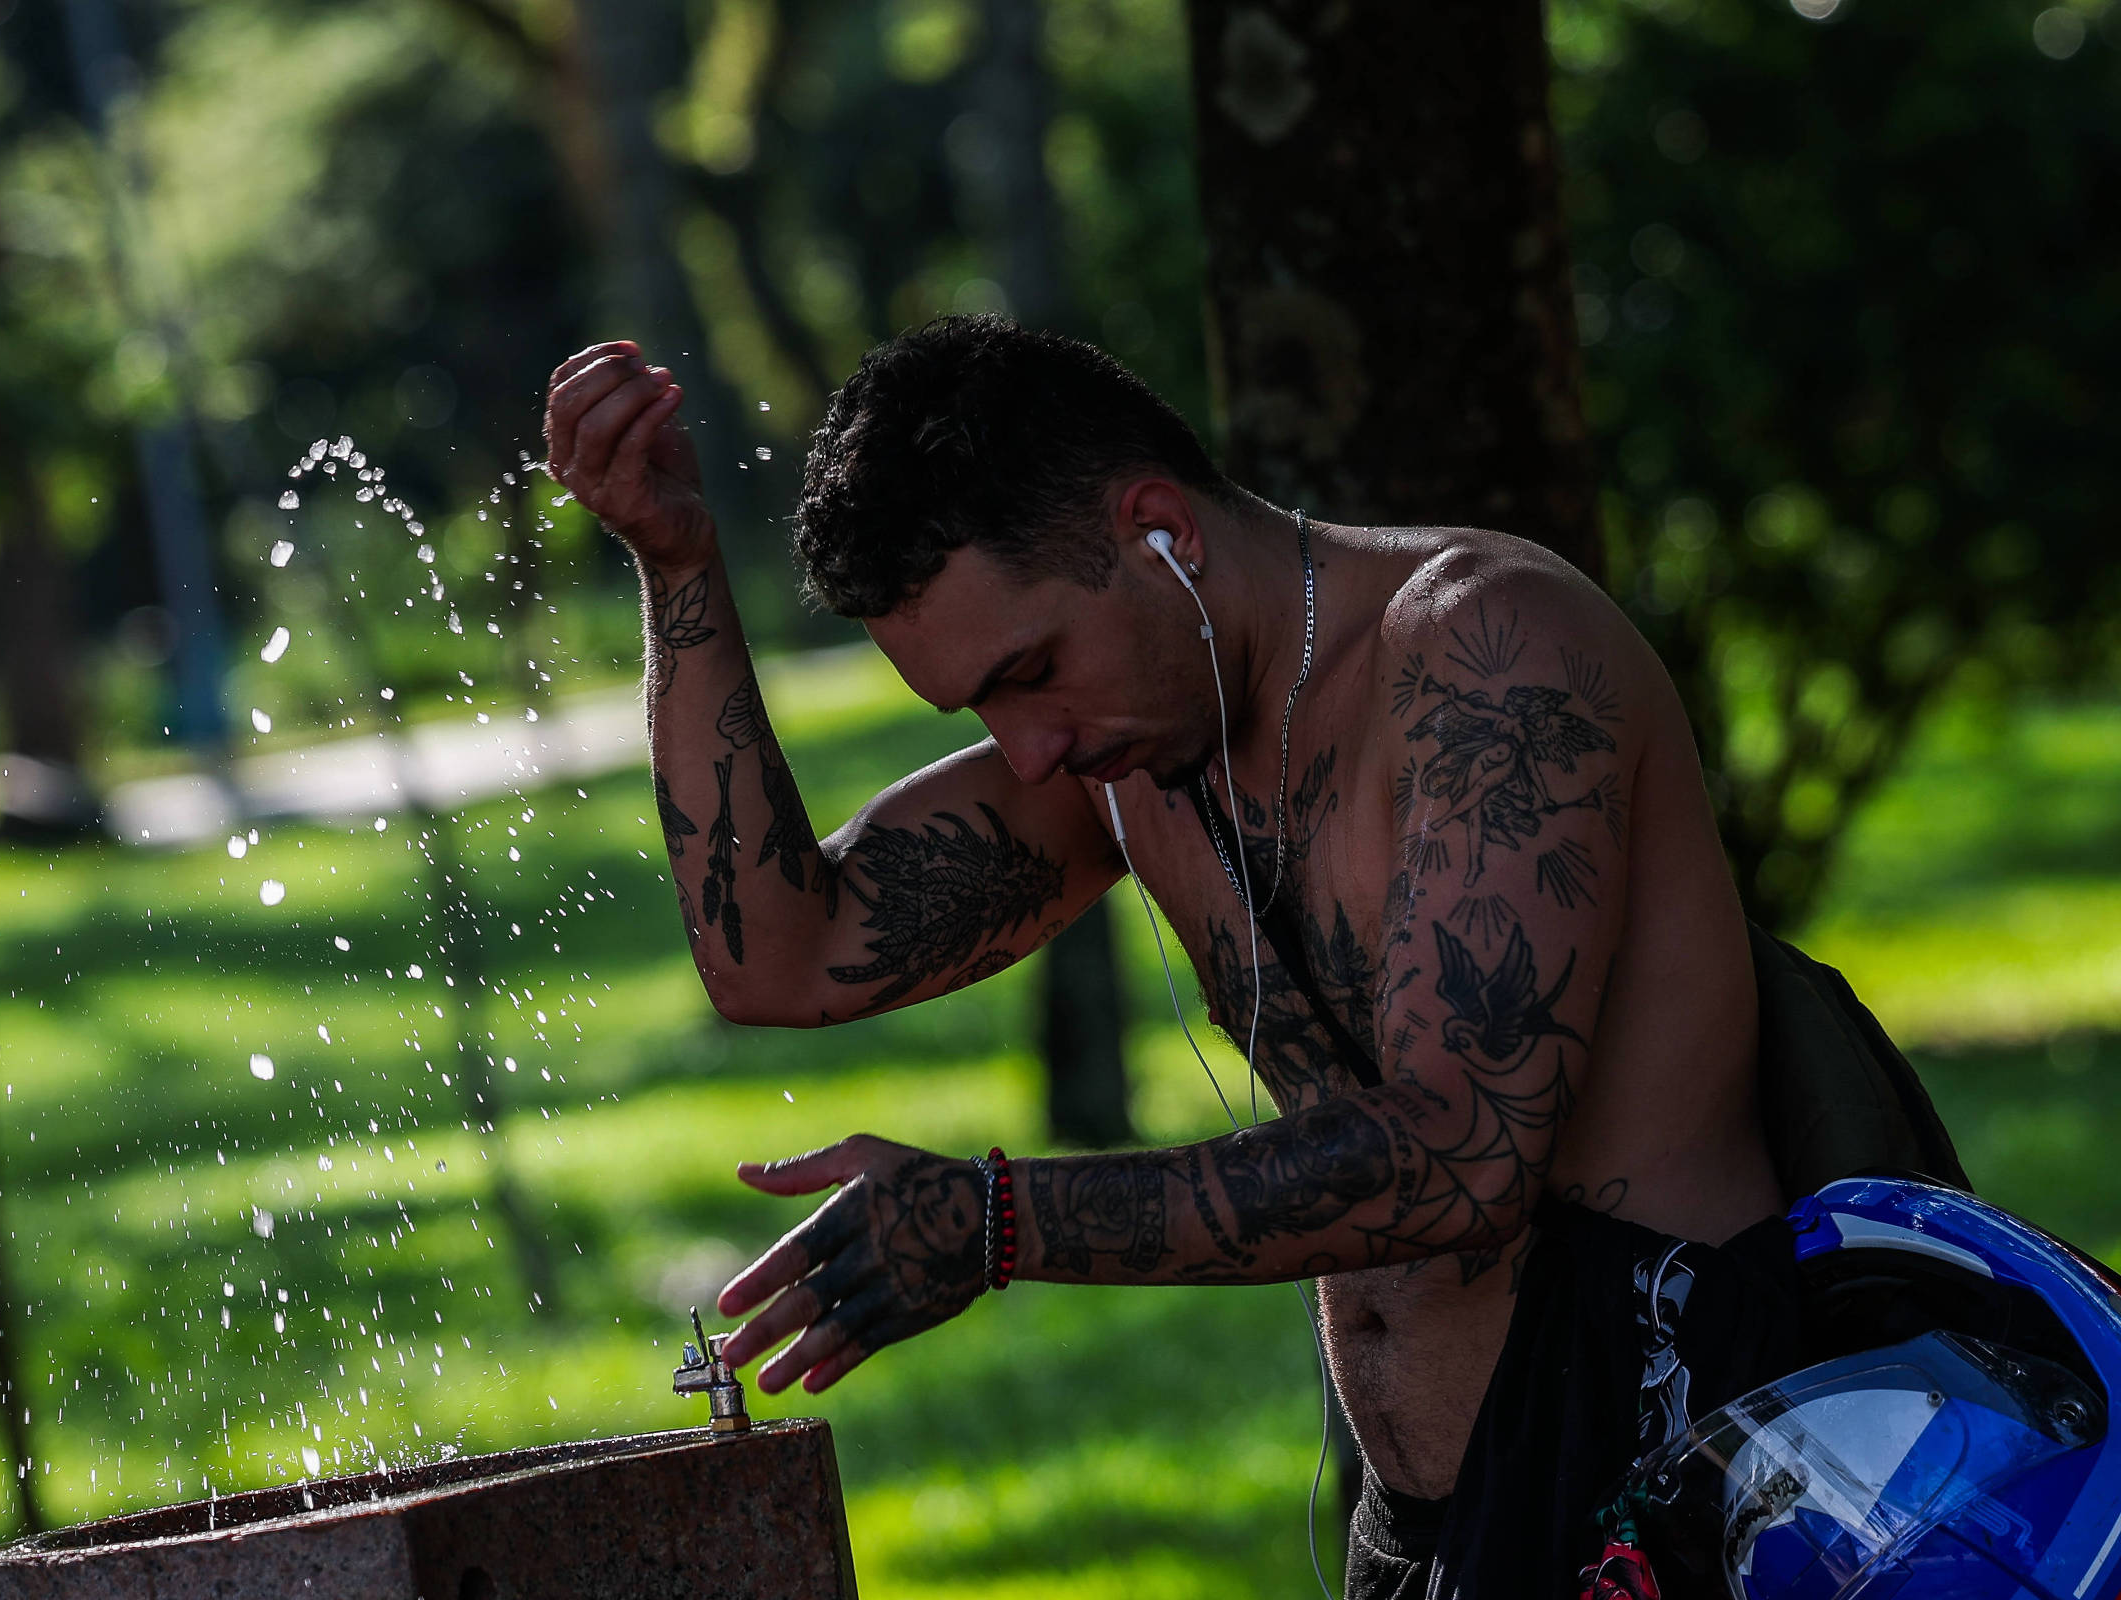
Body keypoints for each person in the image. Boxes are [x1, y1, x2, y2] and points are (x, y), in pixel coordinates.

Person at [540, 317, 1933, 1596]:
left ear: (1159, 530)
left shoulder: (1488, 655)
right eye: (978, 705)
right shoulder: (1134, 748)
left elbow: (1462, 1151)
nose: (1026, 749)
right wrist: (678, 570)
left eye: (1028, 672)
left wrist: (998, 1223)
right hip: (1427, 1523)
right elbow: (782, 956)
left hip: (1691, 1492)